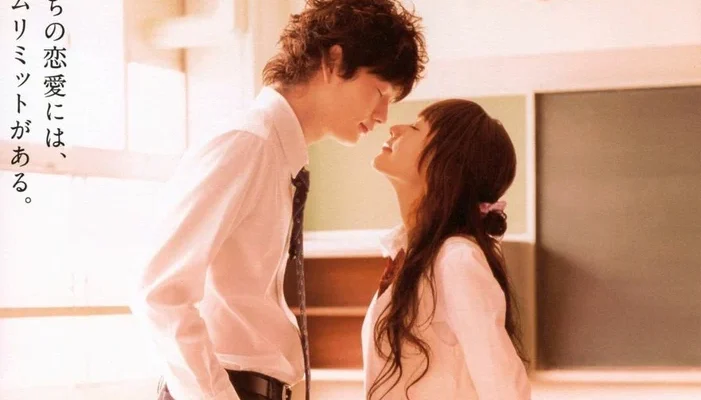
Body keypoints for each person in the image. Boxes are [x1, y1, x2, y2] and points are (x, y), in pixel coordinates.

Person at [130, 1, 427, 400]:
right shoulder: (246, 144)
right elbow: (159, 292)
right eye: (379, 91)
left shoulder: (276, 154)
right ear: (334, 61)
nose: (382, 115)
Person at [362, 99, 532, 400]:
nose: (395, 128)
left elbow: (504, 387)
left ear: (444, 163)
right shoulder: (407, 253)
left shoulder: (456, 259)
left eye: (415, 127)